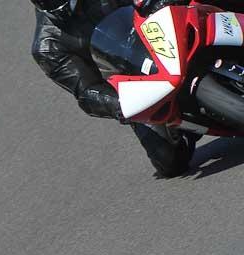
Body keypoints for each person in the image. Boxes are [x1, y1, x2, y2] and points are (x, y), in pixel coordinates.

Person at [30, 0, 238, 177]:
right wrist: (119, 105)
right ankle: (186, 124)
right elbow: (86, 91)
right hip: (140, 80)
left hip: (160, 28)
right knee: (168, 162)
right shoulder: (48, 47)